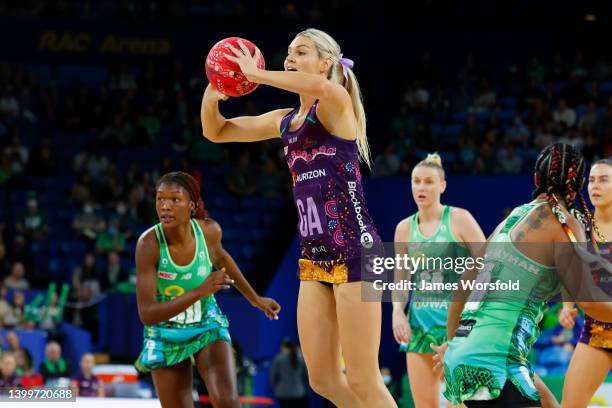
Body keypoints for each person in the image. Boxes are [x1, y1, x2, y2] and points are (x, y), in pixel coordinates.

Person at [201, 28, 396, 407]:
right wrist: (213, 94)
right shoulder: (284, 120)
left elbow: (321, 90)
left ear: (326, 64)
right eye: (288, 53)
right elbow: (217, 132)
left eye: (301, 52)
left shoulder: (336, 102)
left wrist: (255, 75)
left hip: (358, 250)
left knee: (363, 378)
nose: (290, 58)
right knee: (322, 380)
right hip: (314, 256)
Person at [433, 143, 612, 407]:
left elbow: (463, 287)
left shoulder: (513, 216)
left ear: (536, 178)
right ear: (580, 183)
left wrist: (453, 343)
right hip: (497, 365)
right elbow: (589, 302)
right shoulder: (564, 222)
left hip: (469, 354)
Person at [135, 171, 280, 408]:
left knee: (227, 402)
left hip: (206, 324)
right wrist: (199, 291)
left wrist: (255, 299)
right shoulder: (148, 245)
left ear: (191, 205)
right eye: (160, 199)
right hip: (165, 333)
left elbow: (223, 259)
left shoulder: (209, 231)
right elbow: (147, 314)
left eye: (175, 199)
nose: (165, 206)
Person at [391, 153, 485, 407]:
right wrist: (398, 311)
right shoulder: (403, 228)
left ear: (442, 185)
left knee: (465, 403)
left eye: (429, 182)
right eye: (416, 181)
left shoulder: (459, 218)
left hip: (458, 328)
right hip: (420, 327)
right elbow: (401, 279)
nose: (421, 187)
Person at [560, 158, 612, 407]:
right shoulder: (579, 225)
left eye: (603, 180)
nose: (595, 186)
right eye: (591, 180)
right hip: (599, 329)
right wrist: (567, 306)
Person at [270, 338, 308, 408]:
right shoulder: (300, 359)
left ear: (282, 347)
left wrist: (275, 389)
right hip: (298, 392)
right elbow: (307, 376)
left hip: (283, 393)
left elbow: (273, 377)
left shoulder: (278, 359)